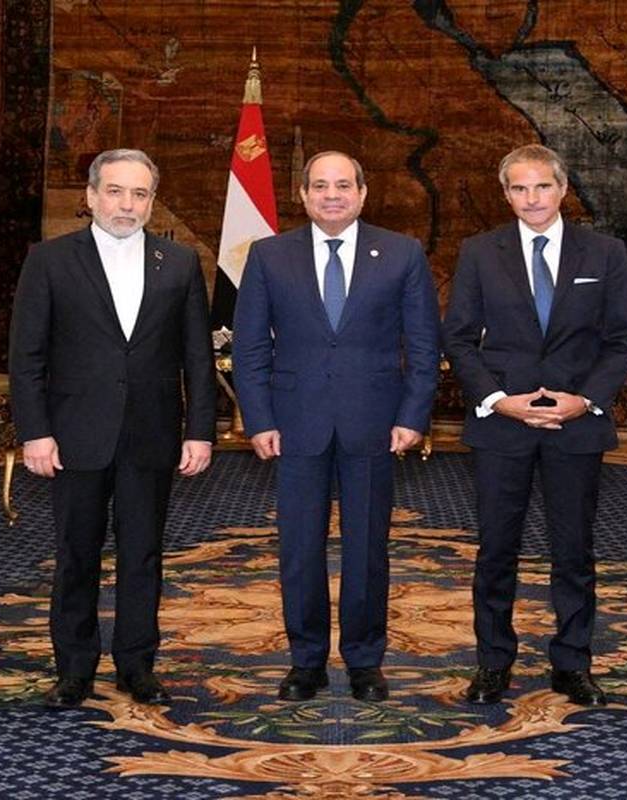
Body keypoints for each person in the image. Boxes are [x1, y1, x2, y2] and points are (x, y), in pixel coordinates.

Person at [9, 148, 216, 709]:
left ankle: (136, 665)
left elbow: (197, 358)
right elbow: (26, 357)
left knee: (143, 553)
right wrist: (34, 431)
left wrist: (200, 430)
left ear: (152, 201)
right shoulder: (49, 261)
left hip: (152, 433)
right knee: (76, 553)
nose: (127, 204)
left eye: (139, 194)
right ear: (92, 196)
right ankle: (74, 669)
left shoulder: (179, 263)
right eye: (116, 191)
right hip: (73, 434)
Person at [232, 151, 440, 702]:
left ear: (363, 193)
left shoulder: (401, 253)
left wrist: (413, 415)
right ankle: (306, 662)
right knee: (299, 548)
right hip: (294, 423)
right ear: (303, 195)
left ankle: (365, 661)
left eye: (343, 185)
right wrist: (258, 418)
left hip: (375, 423)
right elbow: (249, 347)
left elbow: (423, 345)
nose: (332, 195)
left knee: (368, 547)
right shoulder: (268, 255)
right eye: (320, 186)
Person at [442, 143, 627, 706]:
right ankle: (493, 664)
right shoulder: (480, 252)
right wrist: (498, 400)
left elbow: (622, 340)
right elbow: (458, 337)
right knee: (495, 550)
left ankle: (573, 665)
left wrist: (586, 400)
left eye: (542, 186)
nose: (532, 198)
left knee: (574, 551)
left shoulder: (604, 253)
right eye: (520, 188)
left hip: (576, 425)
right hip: (502, 425)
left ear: (563, 189)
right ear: (506, 195)